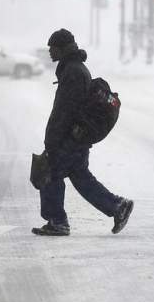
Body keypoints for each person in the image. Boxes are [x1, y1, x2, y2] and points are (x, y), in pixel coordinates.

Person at [33, 28, 134, 236]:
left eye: (52, 48)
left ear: (62, 49)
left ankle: (58, 221)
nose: (50, 52)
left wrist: (51, 142)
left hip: (71, 137)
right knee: (81, 177)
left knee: (50, 173)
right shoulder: (74, 68)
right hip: (77, 136)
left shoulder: (73, 72)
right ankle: (117, 206)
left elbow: (64, 111)